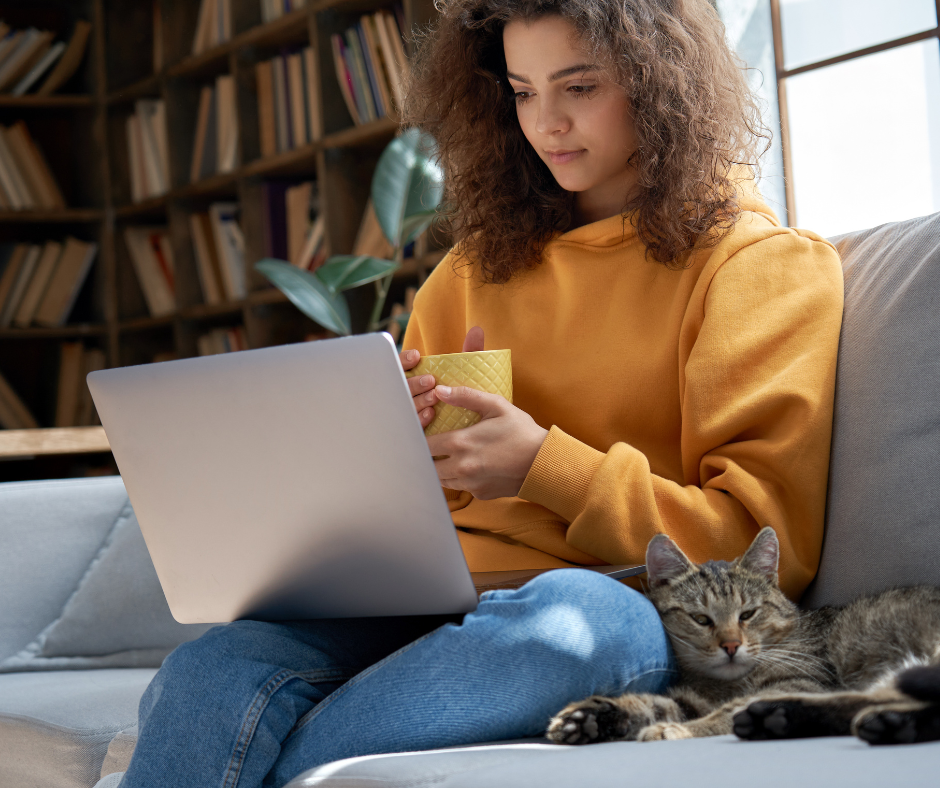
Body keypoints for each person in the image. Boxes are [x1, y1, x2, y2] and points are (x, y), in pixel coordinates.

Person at [118, 1, 843, 786]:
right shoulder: (474, 266)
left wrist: (541, 464)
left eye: (579, 87)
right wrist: (394, 452)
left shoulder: (758, 266)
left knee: (577, 625)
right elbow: (437, 496)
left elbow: (761, 547)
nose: (548, 124)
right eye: (523, 92)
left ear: (660, 84)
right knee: (215, 665)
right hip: (425, 600)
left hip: (614, 602)